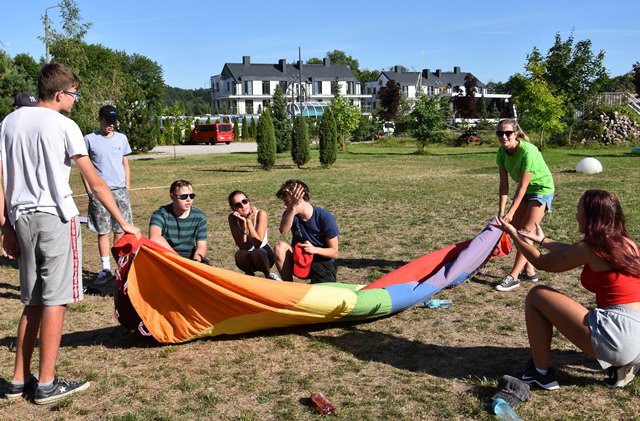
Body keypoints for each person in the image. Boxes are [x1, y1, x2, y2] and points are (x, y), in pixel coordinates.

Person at [0, 63, 140, 404]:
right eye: (74, 94)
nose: (76, 100)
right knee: (55, 301)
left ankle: (19, 380)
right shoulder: (64, 125)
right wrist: (123, 221)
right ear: (60, 93)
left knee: (32, 301)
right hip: (55, 219)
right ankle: (47, 384)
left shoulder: (9, 122)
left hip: (21, 220)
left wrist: (4, 227)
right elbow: (95, 182)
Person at [493, 190, 640, 390]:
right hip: (636, 336)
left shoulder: (591, 248)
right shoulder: (626, 244)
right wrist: (543, 241)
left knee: (537, 295)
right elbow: (572, 253)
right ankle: (622, 364)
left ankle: (541, 374)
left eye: (580, 211)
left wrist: (513, 234)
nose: (576, 215)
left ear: (592, 217)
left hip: (617, 336)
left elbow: (540, 262)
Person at [494, 118, 554, 292]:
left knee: (526, 232)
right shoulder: (501, 152)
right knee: (514, 229)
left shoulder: (528, 151)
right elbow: (503, 185)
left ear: (516, 133)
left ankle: (513, 277)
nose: (504, 137)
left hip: (541, 189)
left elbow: (523, 186)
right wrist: (502, 212)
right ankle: (529, 270)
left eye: (508, 133)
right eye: (500, 133)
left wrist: (511, 211)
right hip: (525, 191)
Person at [82, 105, 133, 285]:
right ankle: (105, 269)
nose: (111, 125)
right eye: (107, 121)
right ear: (100, 119)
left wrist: (127, 185)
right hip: (99, 193)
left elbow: (125, 163)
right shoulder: (89, 139)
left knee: (120, 230)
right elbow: (84, 168)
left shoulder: (122, 138)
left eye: (113, 122)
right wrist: (89, 190)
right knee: (103, 231)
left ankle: (120, 266)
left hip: (120, 191)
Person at [274, 179, 339, 283]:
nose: (285, 206)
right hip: (301, 259)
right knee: (280, 247)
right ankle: (289, 286)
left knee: (320, 291)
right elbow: (283, 230)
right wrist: (292, 206)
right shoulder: (290, 213)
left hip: (321, 261)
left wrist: (314, 250)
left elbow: (334, 252)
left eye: (287, 202)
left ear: (300, 198)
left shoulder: (324, 217)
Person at [149, 180, 209, 263]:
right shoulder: (161, 214)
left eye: (191, 196)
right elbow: (155, 238)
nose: (188, 199)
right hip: (166, 254)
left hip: (190, 256)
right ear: (172, 197)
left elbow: (201, 246)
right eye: (184, 196)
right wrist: (178, 259)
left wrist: (196, 261)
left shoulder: (199, 216)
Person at [227, 190, 280, 280]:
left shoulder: (261, 214)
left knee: (257, 252)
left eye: (244, 201)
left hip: (263, 254)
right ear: (233, 208)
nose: (243, 206)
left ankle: (268, 275)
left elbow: (257, 244)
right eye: (238, 205)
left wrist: (248, 221)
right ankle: (250, 277)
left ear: (249, 201)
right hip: (247, 256)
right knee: (240, 254)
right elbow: (242, 246)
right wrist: (243, 224)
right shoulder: (232, 218)